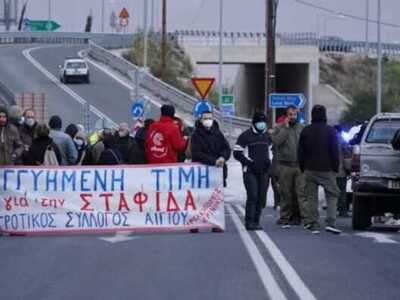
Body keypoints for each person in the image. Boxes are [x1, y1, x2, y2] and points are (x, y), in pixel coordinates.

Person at [298, 105, 341, 234]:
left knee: (311, 197)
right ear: (324, 115)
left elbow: (300, 152)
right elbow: (334, 151)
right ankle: (330, 222)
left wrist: (303, 168)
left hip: (310, 169)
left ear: (312, 115)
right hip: (327, 169)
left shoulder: (306, 131)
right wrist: (335, 167)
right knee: (332, 195)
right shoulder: (331, 131)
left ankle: (314, 224)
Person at [269, 105, 308, 228]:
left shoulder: (302, 128)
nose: (292, 117)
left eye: (294, 114)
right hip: (284, 165)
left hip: (299, 166)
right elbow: (276, 142)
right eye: (290, 114)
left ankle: (298, 217)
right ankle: (285, 217)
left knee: (300, 193)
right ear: (286, 116)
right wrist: (285, 128)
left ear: (298, 115)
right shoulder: (279, 128)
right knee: (286, 193)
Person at [233, 112, 271, 231]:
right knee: (253, 196)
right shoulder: (245, 136)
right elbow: (237, 153)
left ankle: (256, 221)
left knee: (261, 197)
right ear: (254, 123)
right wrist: (249, 162)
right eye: (260, 122)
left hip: (264, 171)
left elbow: (271, 150)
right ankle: (249, 222)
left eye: (264, 122)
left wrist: (269, 161)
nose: (262, 124)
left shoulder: (266, 136)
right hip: (250, 171)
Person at [191, 109, 231, 187]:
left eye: (210, 118)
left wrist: (223, 157)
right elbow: (197, 154)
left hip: (218, 174)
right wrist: (214, 161)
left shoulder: (218, 133)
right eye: (205, 118)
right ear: (201, 120)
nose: (208, 120)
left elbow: (226, 148)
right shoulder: (196, 135)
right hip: (202, 175)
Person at [335, 125, 351, 217]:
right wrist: (348, 169)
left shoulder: (329, 140)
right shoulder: (343, 141)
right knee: (342, 191)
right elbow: (347, 156)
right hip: (341, 171)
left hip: (330, 171)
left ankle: (333, 208)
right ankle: (343, 210)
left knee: (331, 191)